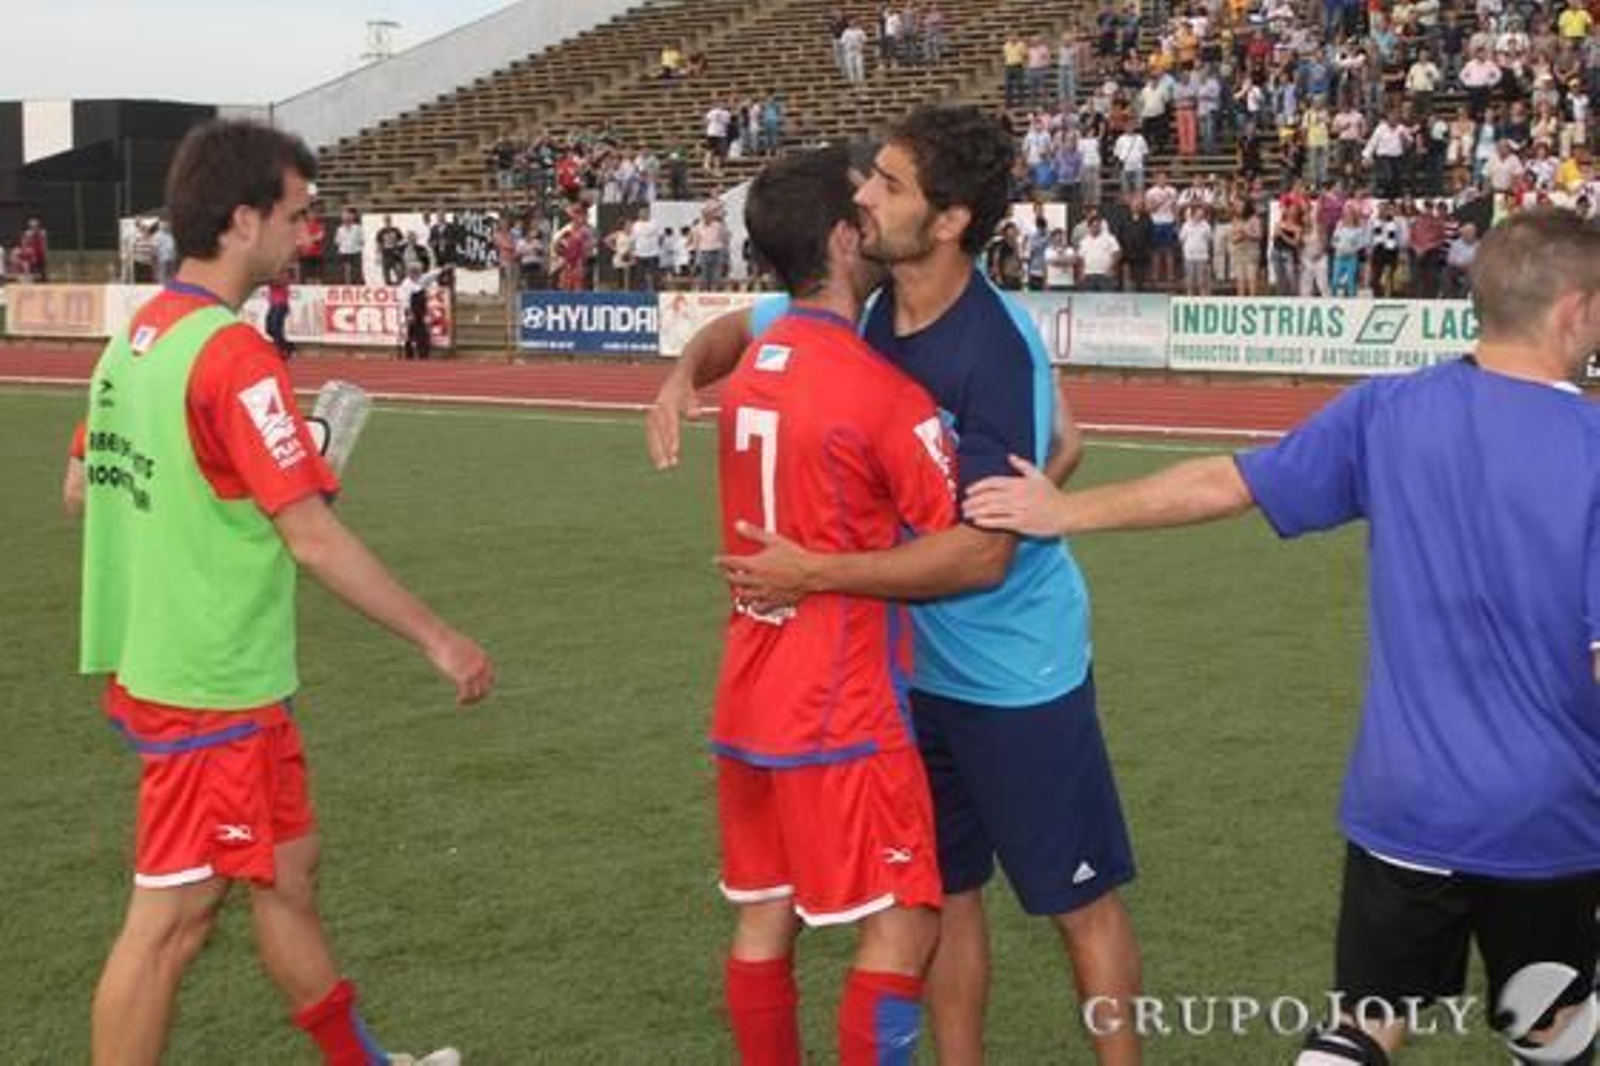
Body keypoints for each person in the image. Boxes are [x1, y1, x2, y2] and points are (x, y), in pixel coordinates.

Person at [963, 208, 1600, 1066]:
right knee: (1554, 1029)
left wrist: (1064, 508)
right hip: (1549, 815)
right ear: (1575, 310)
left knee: (1364, 1025)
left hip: (1404, 806)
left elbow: (1227, 482)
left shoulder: (1389, 409)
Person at [648, 106, 1141, 1066]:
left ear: (951, 220)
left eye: (889, 184)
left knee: (1076, 904)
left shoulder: (994, 353)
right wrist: (679, 380)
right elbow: (731, 331)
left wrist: (816, 571)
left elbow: (981, 555)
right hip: (906, 679)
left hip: (1013, 669)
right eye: (869, 179)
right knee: (943, 895)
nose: (863, 196)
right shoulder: (864, 301)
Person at [79, 119, 491, 1066]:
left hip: (195, 670)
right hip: (207, 683)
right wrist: (440, 639)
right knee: (171, 926)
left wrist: (275, 464)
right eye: (295, 216)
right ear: (240, 221)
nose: (306, 236)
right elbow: (308, 536)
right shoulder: (230, 354)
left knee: (289, 875)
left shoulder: (137, 337)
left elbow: (85, 484)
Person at [711, 144, 956, 1066]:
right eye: (868, 201)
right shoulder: (885, 394)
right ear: (846, 238)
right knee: (905, 924)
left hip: (748, 693)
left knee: (765, 921)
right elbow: (961, 547)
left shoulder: (756, 365)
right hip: (841, 704)